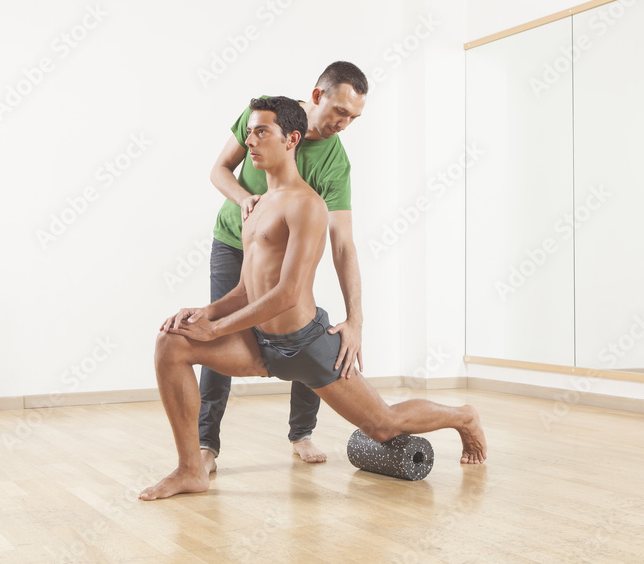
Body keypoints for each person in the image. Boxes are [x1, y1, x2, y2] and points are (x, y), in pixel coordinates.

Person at [140, 96, 486, 501]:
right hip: (261, 347)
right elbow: (248, 289)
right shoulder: (255, 206)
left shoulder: (307, 205)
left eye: (262, 132)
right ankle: (190, 470)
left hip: (306, 345)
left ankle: (464, 417)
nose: (250, 141)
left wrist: (215, 328)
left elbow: (287, 294)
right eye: (249, 132)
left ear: (292, 140)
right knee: (172, 342)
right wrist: (204, 312)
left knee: (384, 425)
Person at [199, 61, 368, 471]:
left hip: (284, 251)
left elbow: (342, 242)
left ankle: (302, 433)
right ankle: (205, 445)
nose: (344, 123)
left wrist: (356, 318)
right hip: (233, 244)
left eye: (353, 117)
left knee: (309, 331)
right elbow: (218, 169)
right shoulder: (266, 118)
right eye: (340, 111)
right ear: (316, 96)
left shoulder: (335, 164)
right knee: (216, 338)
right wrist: (244, 200)